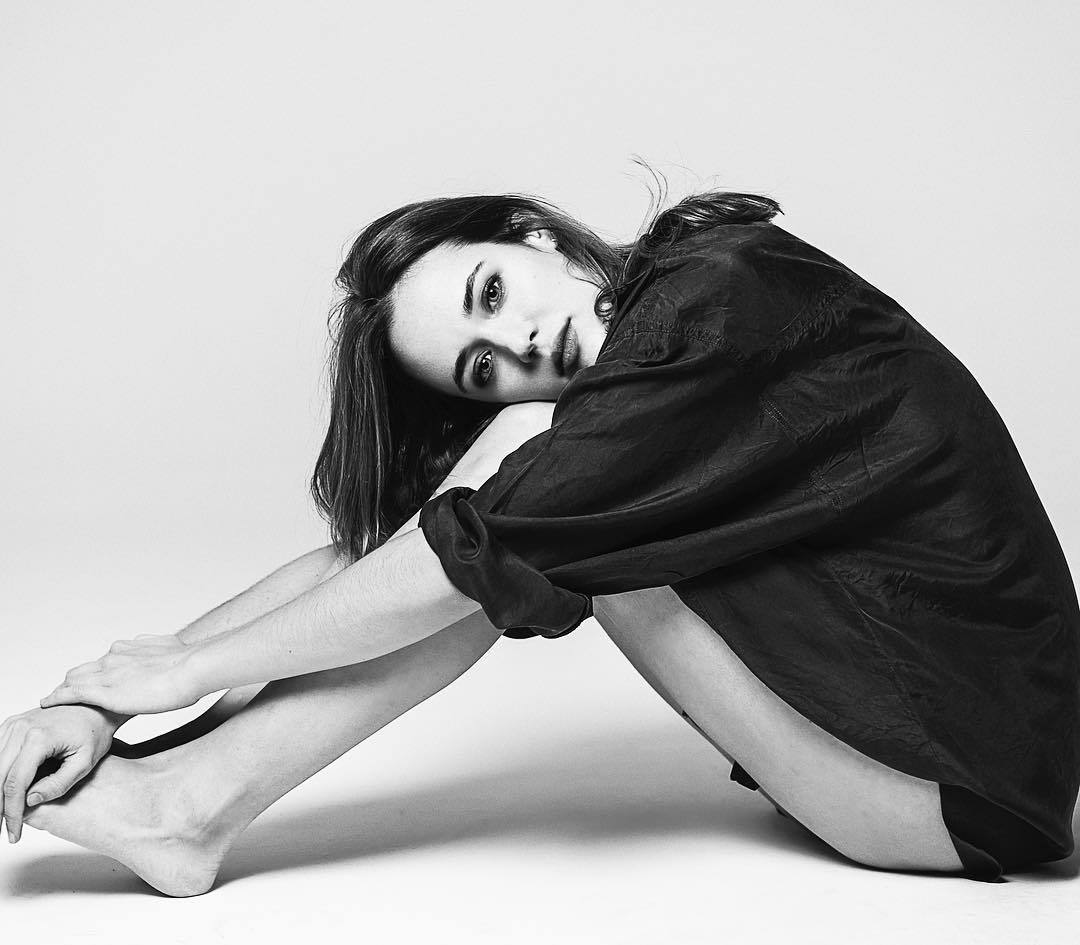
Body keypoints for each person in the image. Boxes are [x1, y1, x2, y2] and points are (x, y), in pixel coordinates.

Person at [2, 189, 1077, 896]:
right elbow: (384, 555)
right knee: (491, 517)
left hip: (959, 797)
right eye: (482, 367)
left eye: (493, 292)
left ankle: (186, 808)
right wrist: (99, 698)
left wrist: (184, 673)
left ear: (539, 238)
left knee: (502, 529)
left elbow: (445, 561)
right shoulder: (645, 372)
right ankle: (180, 791)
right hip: (921, 760)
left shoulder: (720, 293)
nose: (516, 343)